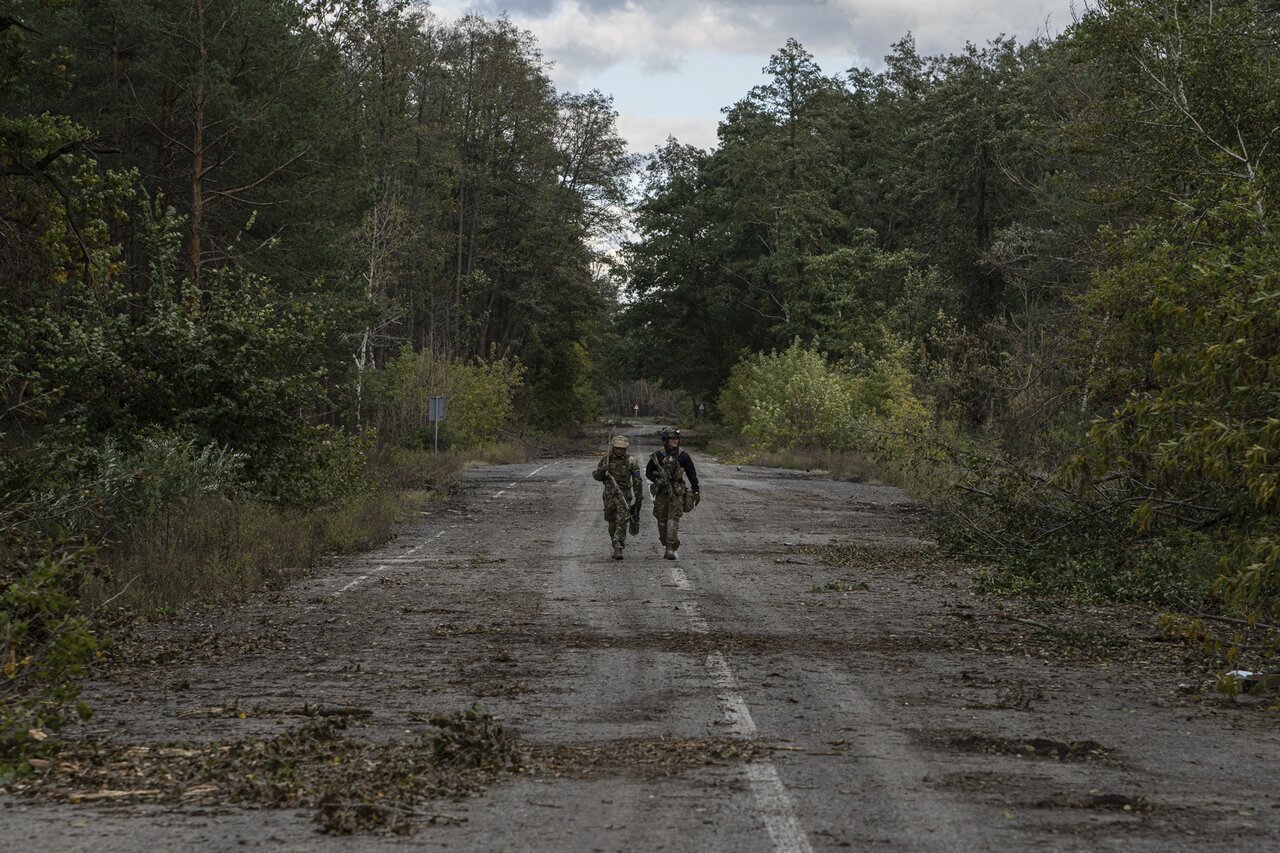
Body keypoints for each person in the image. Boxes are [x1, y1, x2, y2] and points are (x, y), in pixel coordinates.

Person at [646, 428, 700, 560]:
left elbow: (692, 473)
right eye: (672, 439)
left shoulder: (683, 456)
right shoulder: (658, 455)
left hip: (677, 493)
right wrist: (658, 481)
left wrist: (696, 490)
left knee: (673, 519)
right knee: (662, 520)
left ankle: (670, 548)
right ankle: (666, 543)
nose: (675, 441)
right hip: (662, 493)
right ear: (665, 441)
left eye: (676, 439)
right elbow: (648, 472)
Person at [592, 434, 644, 560]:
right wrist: (603, 470)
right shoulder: (607, 459)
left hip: (624, 495)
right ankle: (614, 541)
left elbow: (637, 479)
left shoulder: (631, 461)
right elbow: (596, 476)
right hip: (609, 495)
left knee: (622, 520)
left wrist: (638, 496)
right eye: (617, 448)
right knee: (611, 522)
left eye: (622, 448)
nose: (619, 450)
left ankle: (618, 546)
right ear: (613, 448)